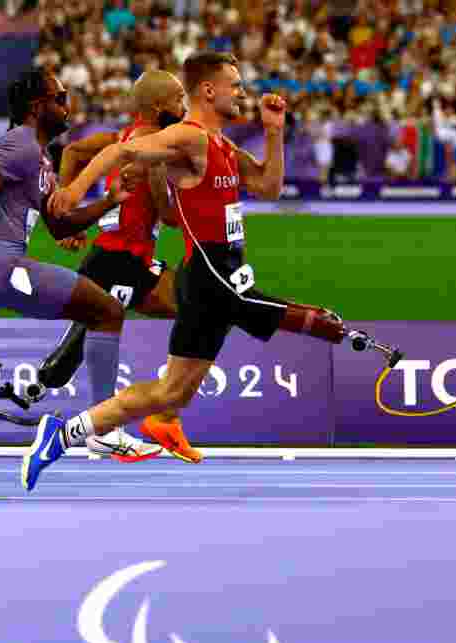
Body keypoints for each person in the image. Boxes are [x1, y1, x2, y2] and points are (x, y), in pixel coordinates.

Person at [23, 51, 376, 490]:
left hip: (220, 275)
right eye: (236, 84)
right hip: (213, 280)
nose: (244, 92)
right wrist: (73, 189)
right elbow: (120, 148)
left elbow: (268, 186)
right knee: (283, 320)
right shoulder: (189, 138)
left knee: (170, 392)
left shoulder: (225, 146)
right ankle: (119, 419)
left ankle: (65, 433)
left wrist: (273, 133)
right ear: (209, 90)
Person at [0, 68, 163, 462]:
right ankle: (105, 430)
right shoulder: (21, 146)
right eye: (60, 98)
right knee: (107, 311)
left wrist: (111, 200)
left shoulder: (37, 157)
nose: (67, 106)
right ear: (36, 106)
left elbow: (60, 223)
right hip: (0, 267)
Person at [34, 69, 200, 461]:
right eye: (178, 100)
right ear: (159, 107)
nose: (183, 107)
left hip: (135, 256)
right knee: (73, 352)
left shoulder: (121, 139)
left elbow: (73, 153)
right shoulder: (152, 149)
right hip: (119, 257)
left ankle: (164, 406)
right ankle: (97, 425)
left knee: (194, 310)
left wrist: (66, 210)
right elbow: (171, 218)